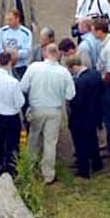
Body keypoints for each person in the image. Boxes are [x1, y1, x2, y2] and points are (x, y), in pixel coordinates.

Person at [21, 44, 74, 183]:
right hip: (54, 110)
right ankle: (48, 174)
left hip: (36, 108)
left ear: (45, 53)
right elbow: (70, 95)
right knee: (50, 142)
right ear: (58, 55)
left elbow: (23, 87)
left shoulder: (34, 67)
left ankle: (30, 169)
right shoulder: (63, 72)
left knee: (33, 139)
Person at [82, 16, 110, 159]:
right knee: (109, 117)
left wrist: (100, 87)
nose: (92, 34)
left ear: (99, 31)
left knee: (109, 117)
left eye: (93, 31)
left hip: (108, 86)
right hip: (107, 81)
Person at [67, 50, 107, 179]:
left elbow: (77, 102)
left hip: (81, 117)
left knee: (80, 143)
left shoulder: (79, 83)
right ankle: (97, 163)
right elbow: (101, 90)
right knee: (92, 139)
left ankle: (83, 169)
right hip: (95, 114)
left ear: (73, 67)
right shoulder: (95, 74)